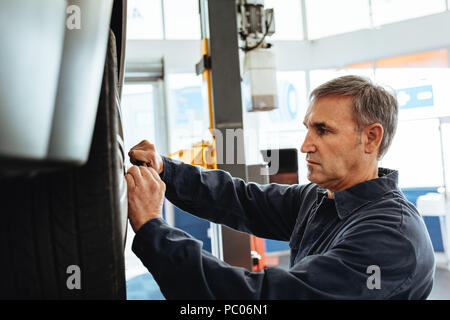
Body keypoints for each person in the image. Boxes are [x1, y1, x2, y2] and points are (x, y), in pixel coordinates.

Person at [125, 75, 435, 299]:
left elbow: (259, 299)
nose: (305, 146)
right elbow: (242, 199)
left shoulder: (390, 238)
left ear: (371, 137)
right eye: (308, 129)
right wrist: (166, 169)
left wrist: (153, 228)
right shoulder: (319, 199)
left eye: (323, 130)